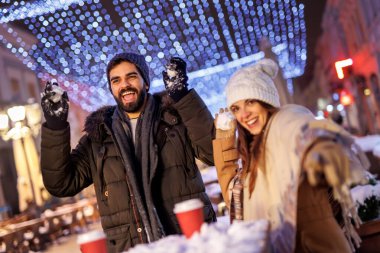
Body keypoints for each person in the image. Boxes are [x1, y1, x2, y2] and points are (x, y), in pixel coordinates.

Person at [40, 53, 216, 252]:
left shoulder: (174, 121)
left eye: (131, 77)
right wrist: (55, 127)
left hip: (189, 241)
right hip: (131, 246)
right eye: (116, 80)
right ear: (112, 89)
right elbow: (61, 184)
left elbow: (213, 152)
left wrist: (183, 97)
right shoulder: (98, 138)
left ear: (146, 83)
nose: (124, 85)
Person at [213, 58, 368, 253]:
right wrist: (225, 139)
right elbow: (234, 198)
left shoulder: (286, 118)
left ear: (266, 100)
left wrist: (320, 148)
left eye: (250, 102)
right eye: (236, 108)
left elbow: (301, 129)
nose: (243, 114)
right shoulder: (255, 154)